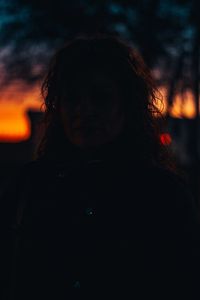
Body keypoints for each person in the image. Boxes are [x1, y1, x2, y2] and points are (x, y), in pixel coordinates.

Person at [1, 34, 200, 300]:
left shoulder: (163, 194)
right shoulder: (29, 186)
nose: (85, 111)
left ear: (127, 106)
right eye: (72, 98)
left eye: (101, 98)